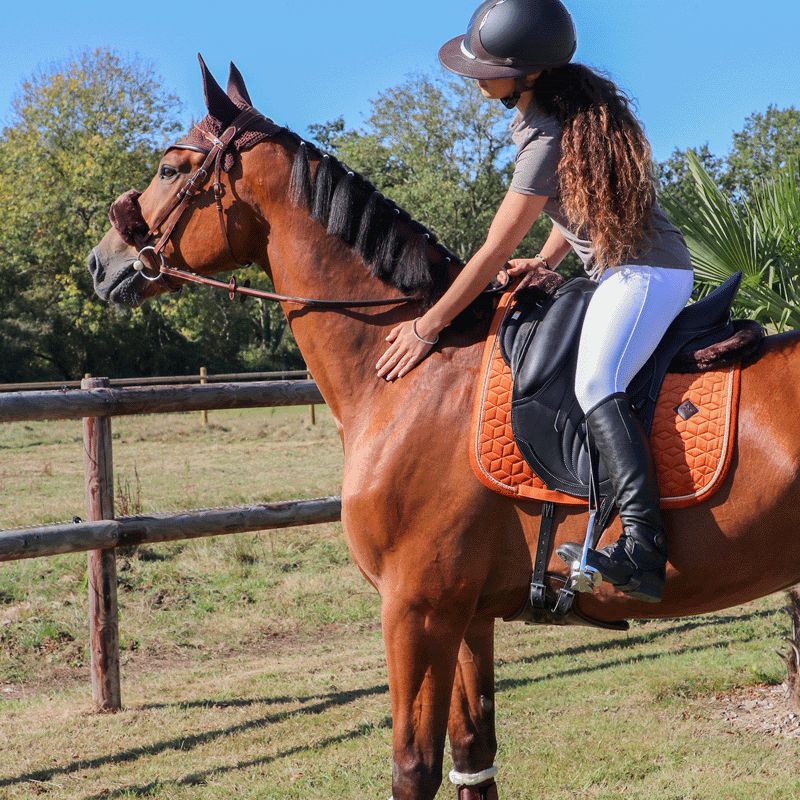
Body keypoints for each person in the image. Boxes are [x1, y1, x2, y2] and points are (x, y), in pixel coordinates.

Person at [374, 0, 694, 603]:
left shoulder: (546, 134)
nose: (476, 77)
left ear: (528, 73)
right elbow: (578, 207)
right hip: (630, 271)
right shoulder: (553, 115)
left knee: (597, 383)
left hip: (645, 275)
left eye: (489, 68)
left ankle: (643, 550)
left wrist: (427, 327)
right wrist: (545, 260)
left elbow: (493, 249)